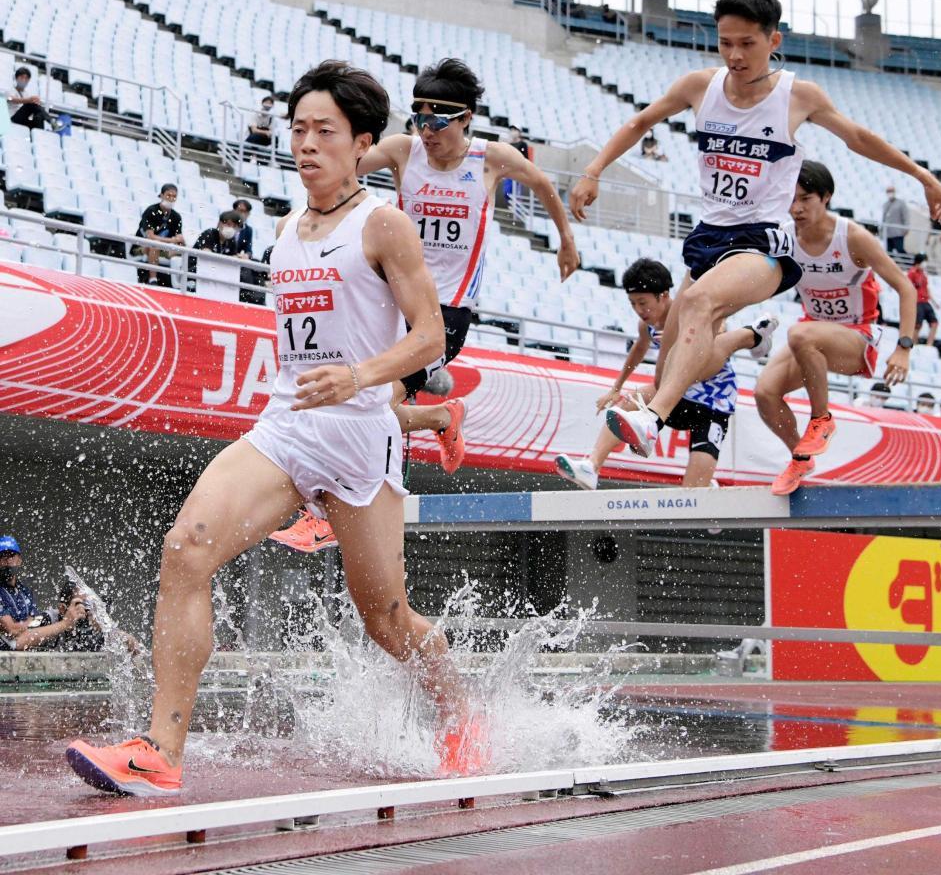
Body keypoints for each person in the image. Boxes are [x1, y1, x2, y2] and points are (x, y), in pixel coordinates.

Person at [66, 60, 483, 797]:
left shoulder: (383, 223)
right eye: (298, 129)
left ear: (362, 144)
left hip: (359, 435)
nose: (307, 143)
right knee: (185, 549)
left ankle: (459, 718)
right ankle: (159, 750)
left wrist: (357, 377)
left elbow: (429, 339)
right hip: (288, 425)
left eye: (325, 131)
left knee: (385, 620)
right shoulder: (287, 230)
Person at [571, 0, 941, 461]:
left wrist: (923, 176)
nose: (734, 55)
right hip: (710, 235)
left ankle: (653, 417)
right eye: (725, 42)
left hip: (764, 243)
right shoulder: (698, 86)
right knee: (675, 341)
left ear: (774, 41)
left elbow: (858, 137)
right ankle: (745, 342)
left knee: (702, 299)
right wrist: (593, 170)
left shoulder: (797, 96)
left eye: (747, 43)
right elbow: (639, 123)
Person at [357, 58, 580, 470]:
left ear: (465, 119)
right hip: (393, 304)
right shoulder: (403, 151)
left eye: (438, 123)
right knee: (360, 405)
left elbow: (544, 184)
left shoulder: (490, 159)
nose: (427, 131)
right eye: (419, 119)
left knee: (372, 403)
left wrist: (566, 241)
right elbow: (343, 170)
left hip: (445, 317)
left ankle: (330, 511)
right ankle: (440, 418)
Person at [753, 161, 917, 495]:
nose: (796, 208)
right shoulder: (784, 236)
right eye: (791, 199)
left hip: (858, 339)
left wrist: (903, 348)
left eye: (806, 199)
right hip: (812, 339)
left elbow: (906, 287)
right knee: (764, 393)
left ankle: (821, 421)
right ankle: (800, 458)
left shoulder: (852, 236)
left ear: (826, 197)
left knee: (800, 333)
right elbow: (756, 281)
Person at [554, 259, 777, 490]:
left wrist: (699, 334)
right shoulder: (646, 326)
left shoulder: (687, 309)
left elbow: (717, 328)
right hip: (674, 395)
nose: (639, 310)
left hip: (712, 399)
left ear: (663, 295)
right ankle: (591, 466)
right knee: (626, 403)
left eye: (643, 302)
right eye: (633, 304)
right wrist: (617, 387)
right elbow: (638, 351)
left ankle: (751, 336)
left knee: (692, 492)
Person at [0, 537, 87, 651]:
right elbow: (12, 630)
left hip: (25, 644)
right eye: (2, 556)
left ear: (19, 560)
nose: (7, 560)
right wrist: (64, 623)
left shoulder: (24, 590)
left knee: (53, 617)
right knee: (51, 618)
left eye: (11, 555)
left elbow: (34, 622)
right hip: (7, 649)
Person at [136, 184, 184, 285]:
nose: (171, 199)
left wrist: (179, 242)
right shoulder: (151, 211)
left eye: (174, 196)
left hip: (164, 248)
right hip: (141, 245)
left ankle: (182, 283)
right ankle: (153, 280)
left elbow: (179, 238)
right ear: (161, 195)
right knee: (154, 245)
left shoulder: (176, 217)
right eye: (168, 195)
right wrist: (172, 240)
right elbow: (150, 236)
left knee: (184, 249)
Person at [7, 67, 59, 131]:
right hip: (14, 118)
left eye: (26, 78)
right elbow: (11, 99)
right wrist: (29, 100)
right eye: (22, 77)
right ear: (16, 78)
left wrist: (36, 106)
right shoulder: (10, 90)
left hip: (24, 120)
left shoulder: (26, 94)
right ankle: (51, 121)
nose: (24, 80)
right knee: (30, 104)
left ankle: (40, 134)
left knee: (39, 116)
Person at [908, 253, 940, 347]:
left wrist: (934, 302)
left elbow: (926, 288)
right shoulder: (912, 273)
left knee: (934, 323)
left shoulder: (923, 274)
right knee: (918, 325)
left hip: (925, 301)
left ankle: (929, 345)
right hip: (917, 302)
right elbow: (909, 287)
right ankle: (914, 344)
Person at [882, 184, 910, 256]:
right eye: (888, 191)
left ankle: (910, 263)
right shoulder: (886, 204)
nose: (890, 193)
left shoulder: (901, 203)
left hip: (898, 232)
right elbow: (884, 218)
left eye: (891, 191)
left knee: (900, 249)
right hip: (888, 233)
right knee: (889, 252)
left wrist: (906, 228)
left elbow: (905, 216)